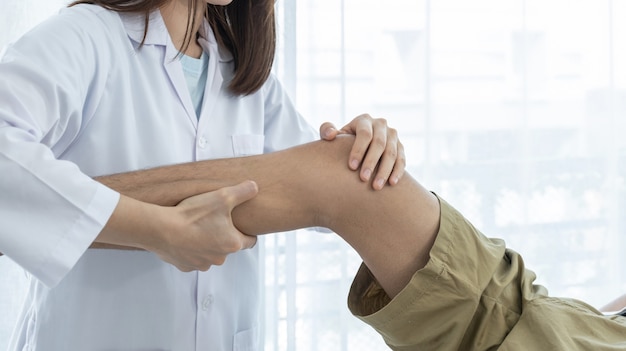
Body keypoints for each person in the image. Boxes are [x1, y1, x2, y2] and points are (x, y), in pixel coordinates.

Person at [0, 0, 406, 350]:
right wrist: (156, 230)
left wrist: (368, 149)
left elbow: (323, 186)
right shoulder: (86, 37)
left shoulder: (244, 76)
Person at [57, 135, 626, 350]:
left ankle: (26, 212)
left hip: (513, 325)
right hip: (543, 321)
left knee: (344, 173)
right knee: (348, 163)